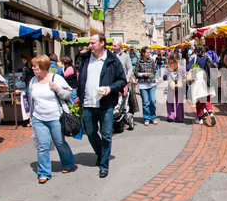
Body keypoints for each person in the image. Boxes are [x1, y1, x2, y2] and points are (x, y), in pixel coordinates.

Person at [77, 33, 127, 178]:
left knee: (106, 135)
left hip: (105, 104)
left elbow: (122, 81)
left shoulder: (112, 60)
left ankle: (104, 164)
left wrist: (110, 88)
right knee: (91, 132)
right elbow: (82, 80)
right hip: (88, 103)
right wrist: (79, 96)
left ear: (102, 43)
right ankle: (101, 153)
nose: (90, 45)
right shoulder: (85, 59)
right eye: (90, 43)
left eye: (93, 43)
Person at [28, 55, 75, 184]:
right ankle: (43, 172)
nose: (32, 68)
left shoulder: (56, 79)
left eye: (35, 66)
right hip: (39, 118)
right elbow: (31, 100)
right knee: (42, 146)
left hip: (55, 117)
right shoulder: (33, 81)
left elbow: (68, 93)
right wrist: (31, 115)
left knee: (59, 143)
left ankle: (68, 162)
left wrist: (57, 89)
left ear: (43, 67)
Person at [186, 45, 216, 125]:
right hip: (207, 79)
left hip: (198, 78)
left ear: (195, 50)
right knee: (207, 98)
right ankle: (210, 112)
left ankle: (200, 119)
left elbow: (188, 67)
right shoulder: (207, 58)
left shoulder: (195, 58)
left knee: (199, 100)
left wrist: (194, 66)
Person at [135, 46, 158, 126]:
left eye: (149, 52)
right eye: (147, 52)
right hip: (142, 84)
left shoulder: (151, 61)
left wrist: (155, 80)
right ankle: (146, 118)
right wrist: (142, 74)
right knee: (145, 102)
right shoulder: (139, 61)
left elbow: (155, 71)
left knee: (152, 101)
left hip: (151, 83)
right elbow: (136, 73)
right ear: (143, 53)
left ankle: (153, 117)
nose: (149, 54)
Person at [163, 54, 186, 123]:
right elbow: (184, 75)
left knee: (170, 101)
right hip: (179, 87)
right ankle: (180, 117)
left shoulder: (168, 67)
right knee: (179, 102)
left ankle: (171, 116)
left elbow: (164, 77)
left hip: (171, 87)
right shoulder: (181, 67)